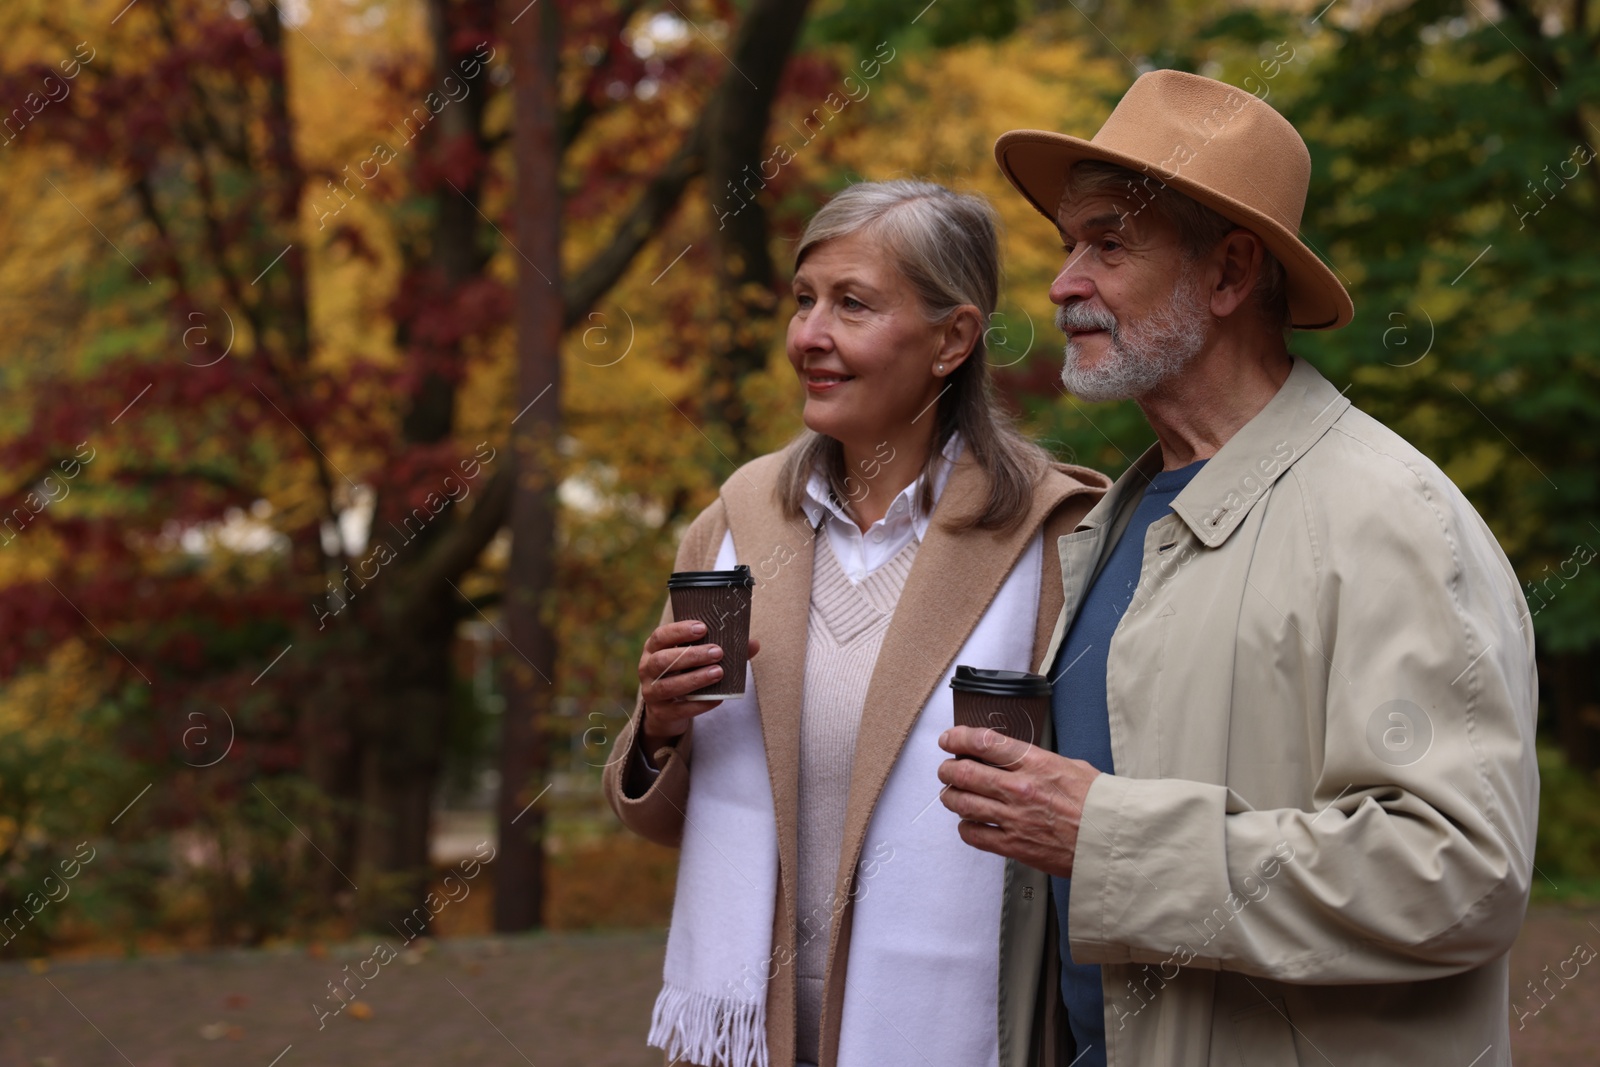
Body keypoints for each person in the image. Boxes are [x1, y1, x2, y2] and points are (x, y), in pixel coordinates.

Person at [937, 69, 1539, 1066]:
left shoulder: (1389, 517)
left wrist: (1106, 836)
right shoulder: (1117, 515)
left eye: (1107, 243)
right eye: (1065, 245)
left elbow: (1457, 874)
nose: (1061, 283)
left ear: (1226, 274)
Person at [603, 179, 1109, 1067]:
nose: (810, 336)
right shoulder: (734, 524)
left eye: (853, 304)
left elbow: (1076, 825)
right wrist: (659, 727)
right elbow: (656, 816)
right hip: (744, 1043)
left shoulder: (1051, 540)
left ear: (953, 338)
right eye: (804, 301)